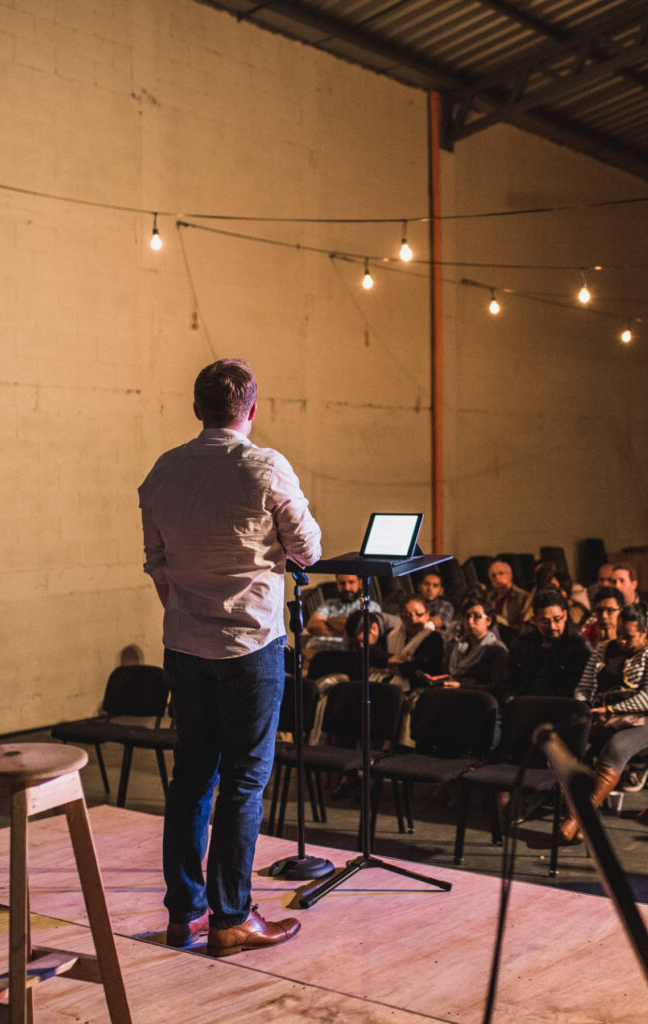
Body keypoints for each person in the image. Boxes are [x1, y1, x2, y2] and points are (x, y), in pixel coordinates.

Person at [139, 358, 320, 956]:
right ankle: (231, 919)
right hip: (249, 646)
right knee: (243, 782)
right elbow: (309, 549)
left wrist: (187, 606)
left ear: (197, 408)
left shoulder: (164, 470)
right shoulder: (265, 465)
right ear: (252, 409)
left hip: (185, 644)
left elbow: (156, 560)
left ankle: (184, 914)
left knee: (191, 779)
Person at [564, 605, 648, 840]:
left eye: (630, 636)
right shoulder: (604, 649)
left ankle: (579, 817)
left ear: (646, 633)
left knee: (617, 746)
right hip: (608, 714)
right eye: (620, 634)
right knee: (572, 738)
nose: (623, 641)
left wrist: (612, 709)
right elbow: (584, 686)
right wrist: (584, 707)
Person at [506, 589, 590, 699]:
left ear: (564, 615)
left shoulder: (578, 646)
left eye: (557, 619)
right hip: (525, 705)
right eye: (545, 621)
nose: (552, 627)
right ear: (534, 620)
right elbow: (509, 682)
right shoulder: (522, 645)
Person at [435, 600, 509, 694]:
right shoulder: (456, 646)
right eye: (467, 617)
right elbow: (446, 673)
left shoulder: (496, 650)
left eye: (477, 617)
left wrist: (461, 686)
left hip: (477, 698)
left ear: (488, 621)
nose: (470, 621)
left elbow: (497, 687)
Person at [305, 574, 381, 654]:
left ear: (360, 583)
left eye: (351, 582)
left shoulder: (369, 605)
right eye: (342, 583)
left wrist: (327, 621)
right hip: (313, 652)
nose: (347, 588)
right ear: (337, 584)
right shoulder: (329, 603)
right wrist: (348, 632)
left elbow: (361, 631)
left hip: (345, 656)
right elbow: (311, 625)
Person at [609, 563, 648, 632]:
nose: (617, 586)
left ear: (634, 584)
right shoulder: (605, 610)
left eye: (622, 581)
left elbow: (644, 639)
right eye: (614, 582)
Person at [486, 560, 530, 632]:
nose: (497, 577)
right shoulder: (488, 597)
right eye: (493, 575)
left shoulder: (523, 597)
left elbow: (526, 626)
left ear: (510, 575)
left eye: (501, 573)